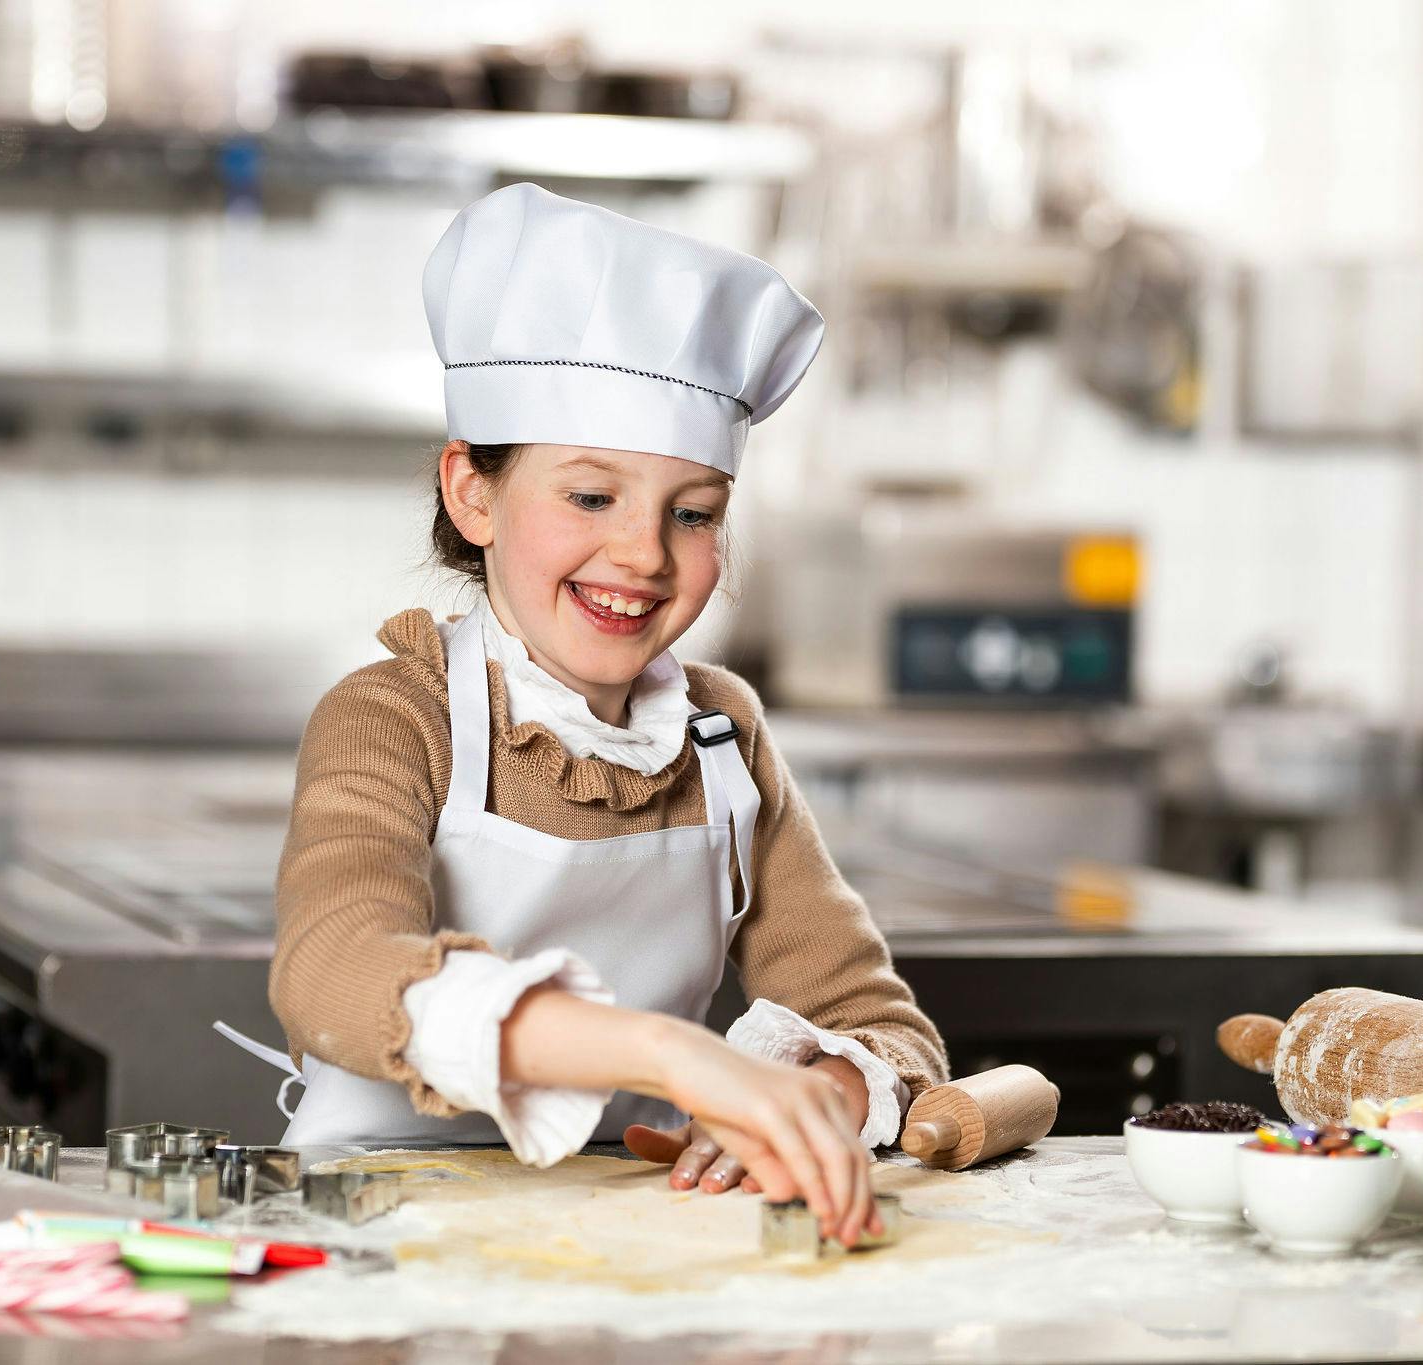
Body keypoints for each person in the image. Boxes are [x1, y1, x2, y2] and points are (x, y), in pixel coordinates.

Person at [226, 183, 948, 1246]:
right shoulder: (399, 713)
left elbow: (877, 1021)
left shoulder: (719, 734)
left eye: (692, 513)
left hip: (636, 1244)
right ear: (473, 493)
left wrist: (817, 1097)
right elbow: (332, 967)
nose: (644, 555)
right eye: (590, 496)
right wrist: (673, 1056)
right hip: (381, 1238)